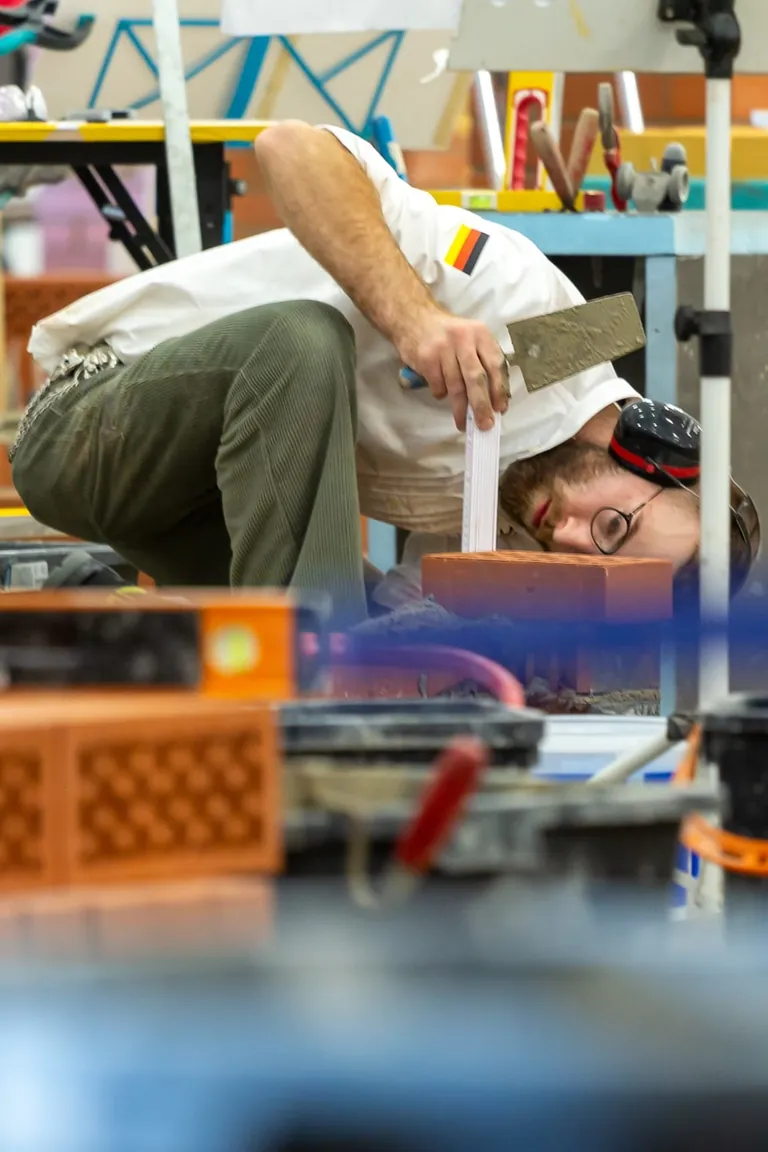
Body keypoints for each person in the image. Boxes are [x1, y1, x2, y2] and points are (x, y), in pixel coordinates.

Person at [9, 121, 759, 622]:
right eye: (611, 525)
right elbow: (289, 147)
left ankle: (103, 612)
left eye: (598, 567)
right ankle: (313, 711)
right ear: (649, 453)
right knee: (300, 340)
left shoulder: (520, 502)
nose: (567, 539)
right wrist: (414, 316)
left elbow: (412, 600)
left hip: (198, 508)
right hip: (88, 422)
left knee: (387, 630)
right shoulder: (530, 313)